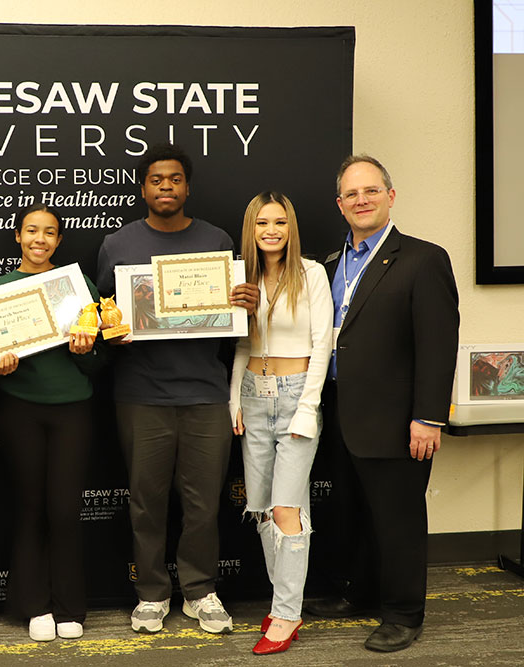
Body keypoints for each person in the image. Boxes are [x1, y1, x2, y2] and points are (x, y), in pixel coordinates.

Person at [95, 142, 258, 635]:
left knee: (204, 503)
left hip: (206, 393)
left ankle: (201, 591)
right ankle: (150, 594)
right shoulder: (118, 245)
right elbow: (107, 312)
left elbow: (232, 323)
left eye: (175, 179)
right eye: (156, 179)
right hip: (141, 394)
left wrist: (245, 304)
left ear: (187, 186)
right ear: (143, 187)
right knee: (145, 502)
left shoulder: (217, 239)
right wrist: (112, 326)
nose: (165, 187)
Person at [304, 155, 459, 652]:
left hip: (398, 421)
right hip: (342, 415)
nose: (361, 200)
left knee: (398, 521)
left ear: (390, 197)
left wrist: (428, 417)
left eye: (371, 191)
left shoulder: (422, 258)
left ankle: (404, 613)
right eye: (352, 194)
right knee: (355, 516)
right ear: (340, 205)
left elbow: (438, 344)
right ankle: (362, 594)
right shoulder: (330, 265)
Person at [0, 204, 107, 642]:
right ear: (18, 236)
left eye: (49, 232)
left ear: (58, 240)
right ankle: (34, 605)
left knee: (65, 510)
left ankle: (70, 606)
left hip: (73, 410)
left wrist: (84, 351)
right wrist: (1, 367)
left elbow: (98, 365)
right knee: (30, 508)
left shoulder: (77, 286)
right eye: (31, 231)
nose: (40, 239)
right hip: (21, 410)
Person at [228, 192, 333, 654]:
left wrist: (308, 406)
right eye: (262, 223)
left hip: (295, 398)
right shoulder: (242, 277)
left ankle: (287, 615)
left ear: (291, 228)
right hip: (253, 396)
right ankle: (282, 602)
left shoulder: (311, 273)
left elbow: (322, 344)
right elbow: (241, 345)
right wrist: (234, 398)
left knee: (288, 509)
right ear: (251, 229)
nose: (271, 231)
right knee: (263, 508)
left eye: (280, 222)